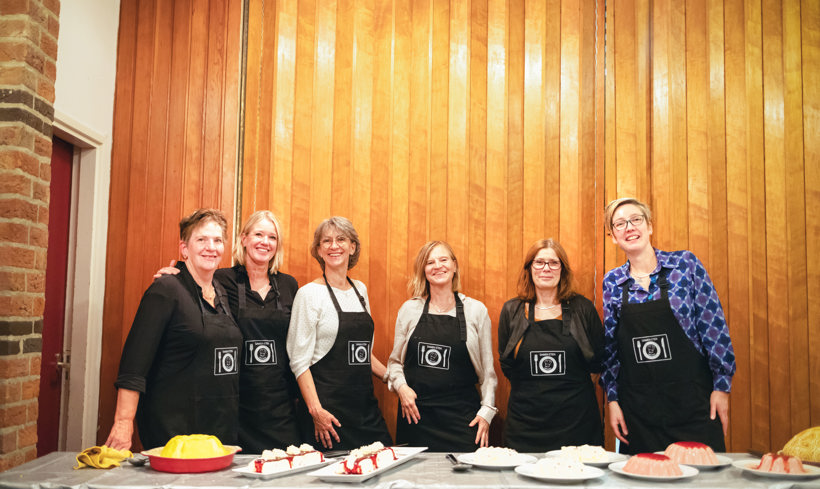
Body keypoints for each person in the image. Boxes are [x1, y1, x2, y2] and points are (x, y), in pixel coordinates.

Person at [152, 211, 301, 452]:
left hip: (279, 403)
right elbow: (191, 283)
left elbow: (296, 345)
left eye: (272, 237)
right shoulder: (222, 280)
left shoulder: (289, 285)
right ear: (243, 239)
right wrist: (173, 275)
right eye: (258, 234)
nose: (265, 242)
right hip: (236, 402)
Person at [601, 197, 736, 453]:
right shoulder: (612, 282)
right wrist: (613, 399)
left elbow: (713, 325)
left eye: (636, 219)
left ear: (649, 226)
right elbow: (611, 349)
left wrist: (722, 385)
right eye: (619, 224)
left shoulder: (684, 265)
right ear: (613, 237)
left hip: (694, 405)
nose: (629, 227)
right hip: (639, 412)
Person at [106, 209, 242, 450]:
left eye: (217, 240)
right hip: (173, 428)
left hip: (219, 428)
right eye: (201, 240)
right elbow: (134, 365)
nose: (210, 247)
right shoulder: (166, 289)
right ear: (184, 249)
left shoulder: (221, 291)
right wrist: (123, 423)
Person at [287, 217, 392, 450]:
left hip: (365, 409)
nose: (334, 246)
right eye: (326, 241)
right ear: (318, 250)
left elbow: (364, 354)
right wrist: (316, 411)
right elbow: (299, 362)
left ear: (352, 246)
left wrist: (394, 380)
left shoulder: (360, 290)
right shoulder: (308, 294)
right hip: (327, 415)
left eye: (341, 239)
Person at [387, 241, 497, 451]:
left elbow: (488, 375)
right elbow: (394, 363)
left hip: (463, 419)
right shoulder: (409, 309)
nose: (438, 266)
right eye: (430, 262)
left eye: (443, 259)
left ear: (454, 266)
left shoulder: (476, 311)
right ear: (424, 270)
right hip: (416, 418)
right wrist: (402, 388)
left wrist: (487, 412)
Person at [497, 239, 604, 452]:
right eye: (539, 262)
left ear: (562, 270)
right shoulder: (512, 310)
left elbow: (598, 362)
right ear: (529, 268)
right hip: (525, 426)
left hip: (577, 426)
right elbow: (507, 364)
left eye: (554, 263)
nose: (546, 268)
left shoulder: (583, 309)